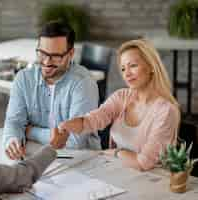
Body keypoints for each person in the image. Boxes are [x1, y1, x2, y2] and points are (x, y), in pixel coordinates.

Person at [59, 39, 180, 171]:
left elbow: (144, 163)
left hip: (152, 179)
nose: (127, 74)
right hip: (120, 171)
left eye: (133, 65)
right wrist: (69, 125)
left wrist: (117, 152)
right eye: (123, 68)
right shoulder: (122, 97)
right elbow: (94, 119)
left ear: (151, 66)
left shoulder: (166, 111)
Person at [3, 21, 99, 160]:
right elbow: (14, 122)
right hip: (38, 156)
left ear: (71, 53)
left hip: (81, 161)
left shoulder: (84, 83)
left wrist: (30, 131)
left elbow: (74, 142)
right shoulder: (23, 78)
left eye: (55, 56)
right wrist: (11, 140)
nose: (47, 62)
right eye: (42, 53)